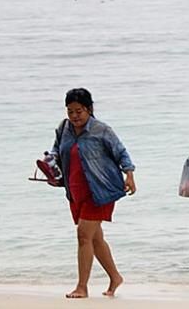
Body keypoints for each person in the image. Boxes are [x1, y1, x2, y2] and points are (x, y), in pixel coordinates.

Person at [48, 88, 136, 299]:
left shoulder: (101, 130)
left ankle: (82, 287)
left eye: (78, 111)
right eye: (70, 111)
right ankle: (115, 277)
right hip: (75, 190)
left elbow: (121, 153)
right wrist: (50, 168)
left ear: (89, 109)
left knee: (83, 236)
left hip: (100, 190)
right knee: (95, 239)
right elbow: (54, 151)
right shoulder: (64, 129)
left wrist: (130, 176)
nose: (74, 116)